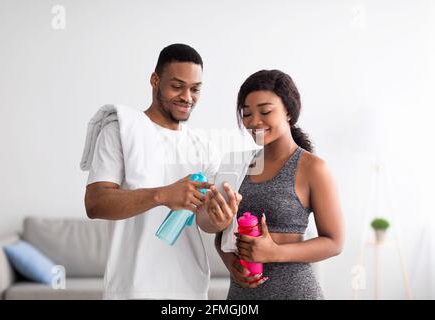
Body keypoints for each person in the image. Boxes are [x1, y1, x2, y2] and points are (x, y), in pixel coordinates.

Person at [84, 44, 241, 299]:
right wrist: (163, 195)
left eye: (195, 89)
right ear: (155, 80)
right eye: (177, 86)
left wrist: (219, 220)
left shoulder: (204, 148)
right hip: (132, 288)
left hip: (189, 288)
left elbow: (203, 220)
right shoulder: (121, 130)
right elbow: (95, 203)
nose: (187, 97)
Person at [215, 69, 344, 300]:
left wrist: (274, 252)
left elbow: (334, 242)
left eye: (265, 111)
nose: (254, 121)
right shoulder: (239, 165)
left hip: (294, 292)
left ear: (288, 112)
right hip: (241, 297)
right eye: (246, 113)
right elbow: (222, 233)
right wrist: (231, 263)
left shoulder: (312, 168)